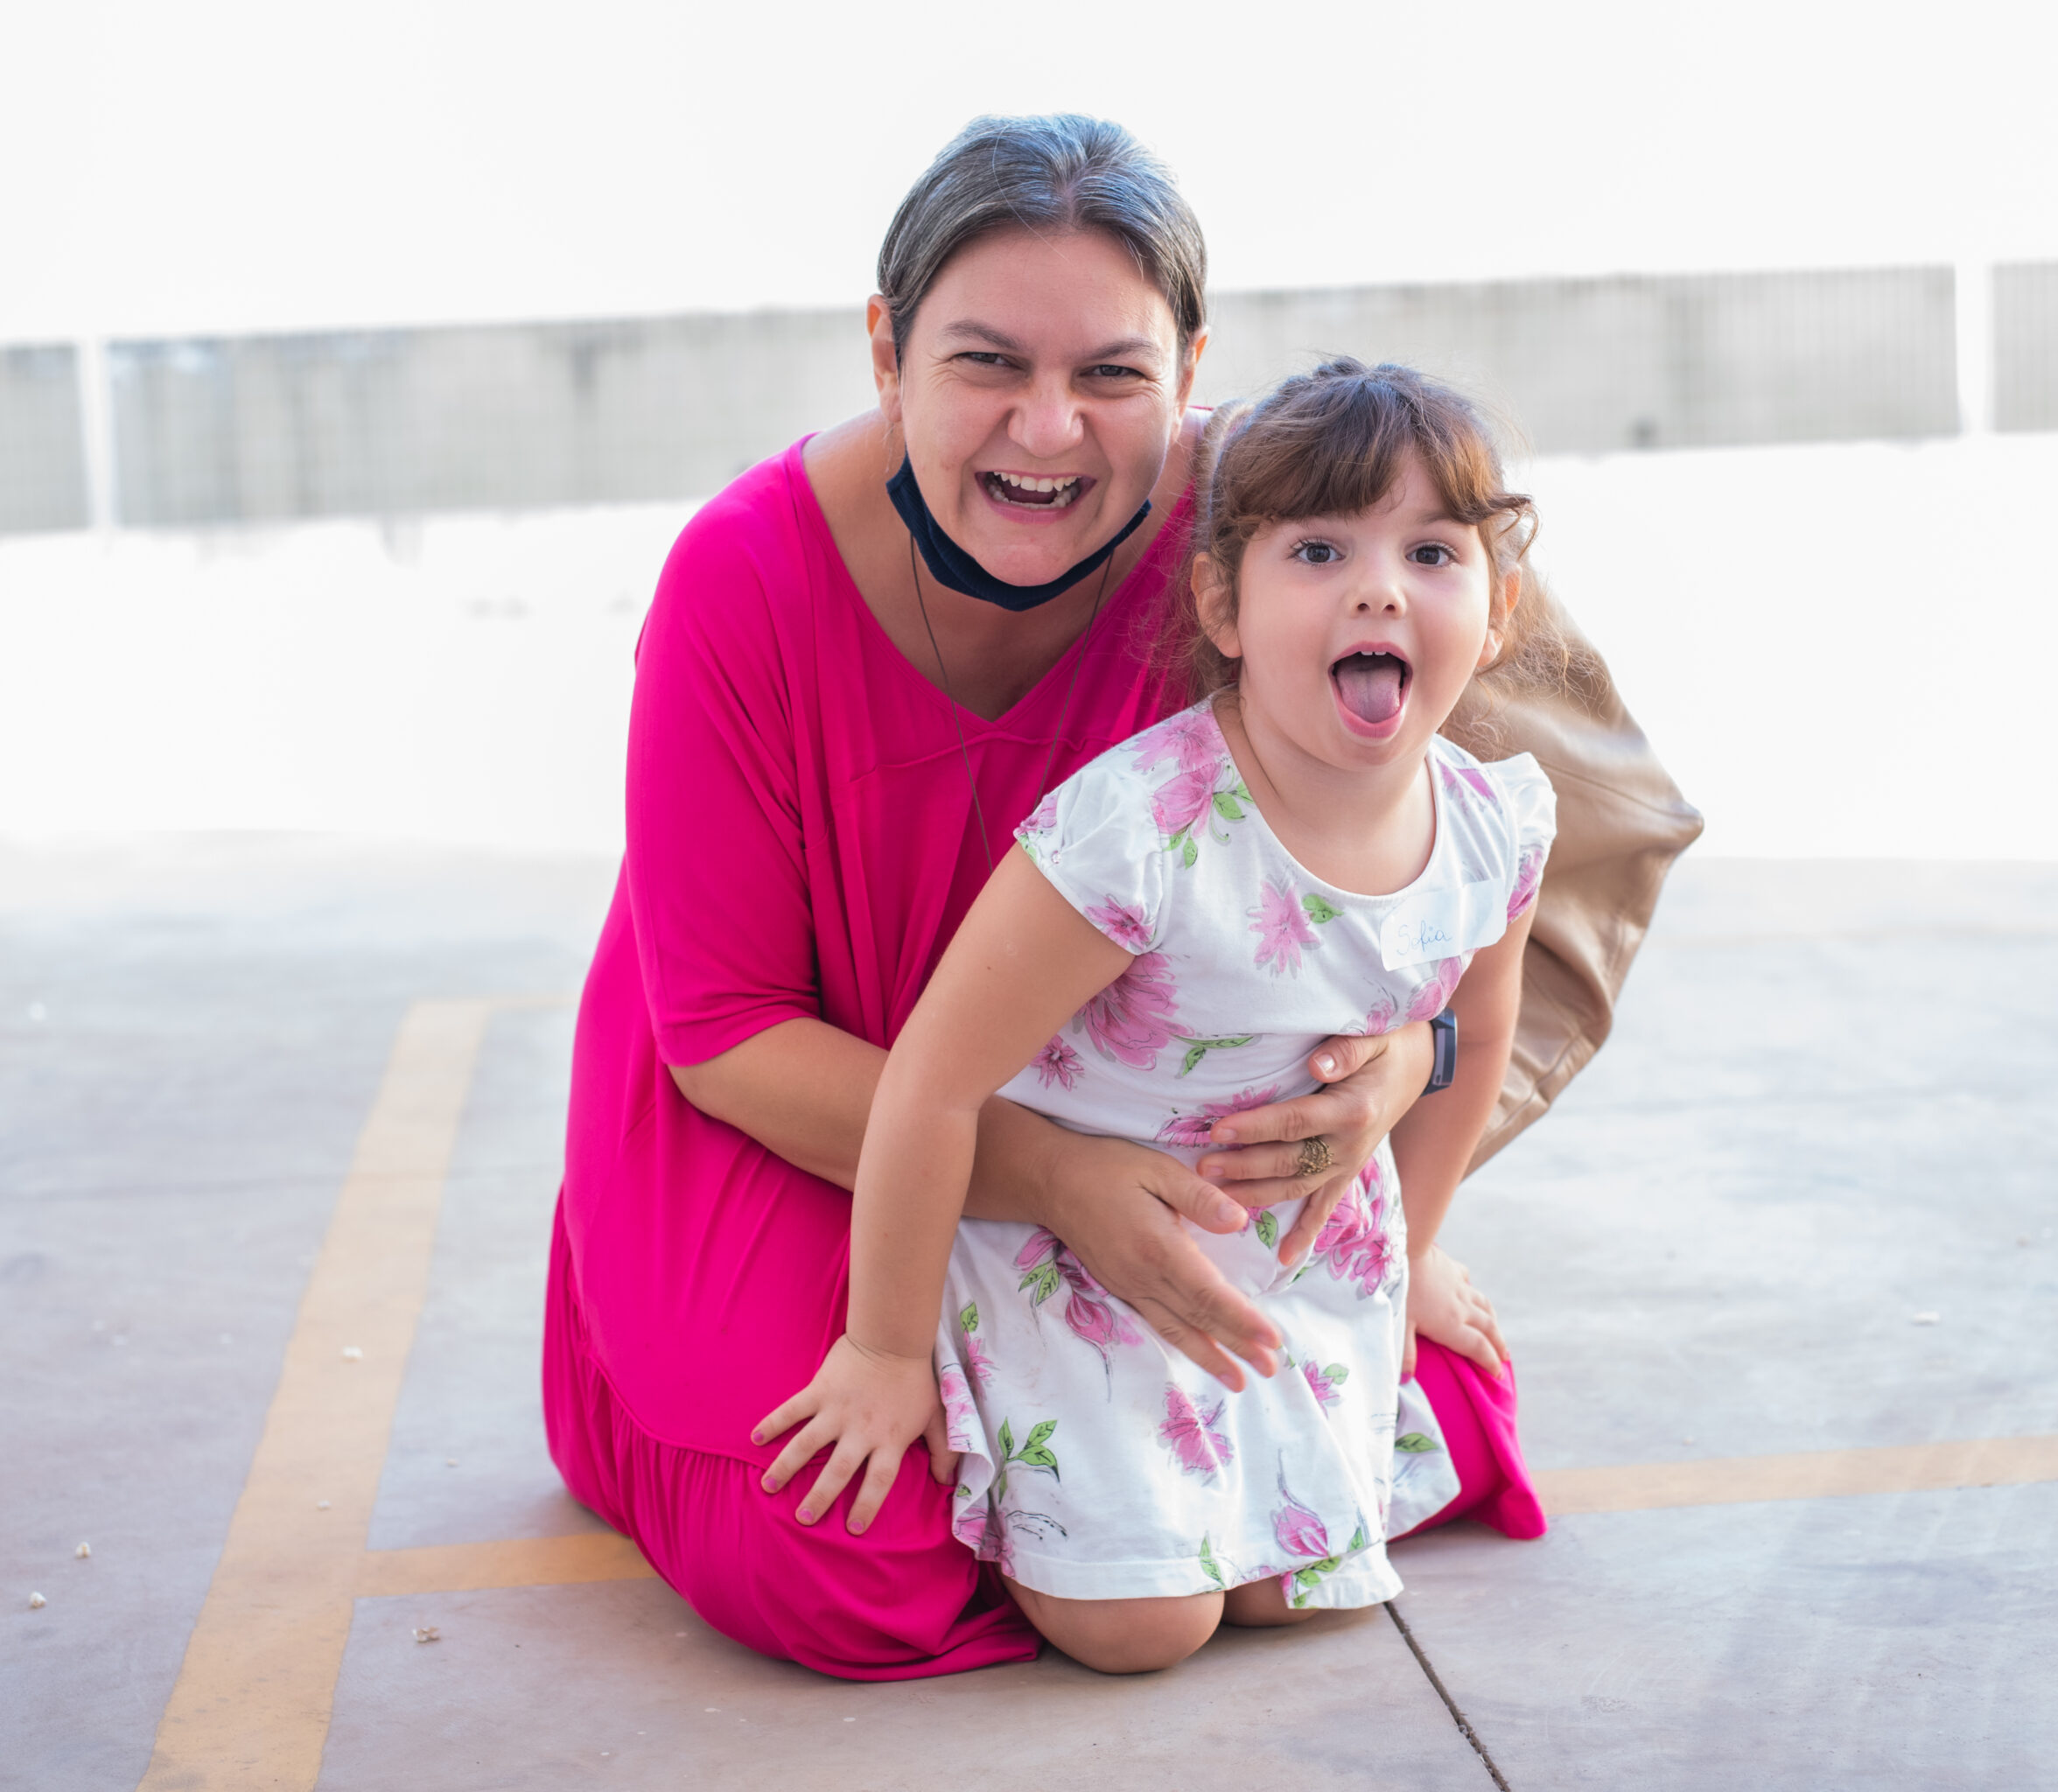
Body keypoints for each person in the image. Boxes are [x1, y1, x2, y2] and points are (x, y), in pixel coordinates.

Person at [543, 113, 1701, 1682]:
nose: (1048, 429)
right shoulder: (740, 577)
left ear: (1191, 367)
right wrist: (1053, 1179)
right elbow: (727, 1035)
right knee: (837, 1538)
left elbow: (1468, 864)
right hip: (810, 1108)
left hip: (1150, 1111)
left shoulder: (1282, 525)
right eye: (984, 363)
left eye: (1111, 372)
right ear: (885, 351)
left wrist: (1395, 1088)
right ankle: (615, 1356)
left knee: (1431, 1406)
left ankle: (1139, 1513)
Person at [756, 360, 1558, 1675]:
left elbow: (1470, 1038)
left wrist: (1416, 1253)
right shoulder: (1144, 831)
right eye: (1319, 551)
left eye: (1430, 552)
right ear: (1221, 605)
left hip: (1291, 1250)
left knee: (1302, 1592)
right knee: (1140, 1627)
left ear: (1499, 606)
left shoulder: (1494, 825)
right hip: (1079, 1251)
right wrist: (882, 1350)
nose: (1379, 590)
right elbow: (932, 1083)